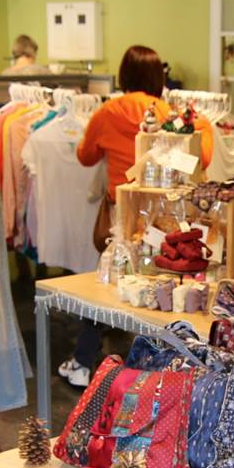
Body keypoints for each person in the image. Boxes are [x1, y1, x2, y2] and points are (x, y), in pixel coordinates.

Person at [58, 45, 213, 387]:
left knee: (110, 284)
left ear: (123, 75)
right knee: (161, 286)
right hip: (164, 214)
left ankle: (84, 362)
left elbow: (85, 157)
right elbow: (203, 155)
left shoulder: (108, 111)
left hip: (123, 212)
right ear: (161, 77)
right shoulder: (173, 114)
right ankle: (161, 368)